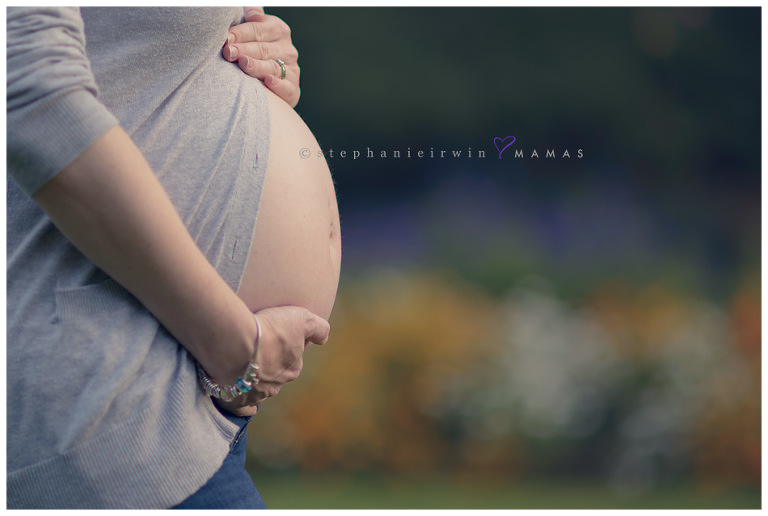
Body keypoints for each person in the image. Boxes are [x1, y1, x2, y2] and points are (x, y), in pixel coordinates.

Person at [7, 6, 341, 509]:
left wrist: (266, 57)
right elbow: (33, 93)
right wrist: (232, 344)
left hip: (166, 385)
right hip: (104, 393)